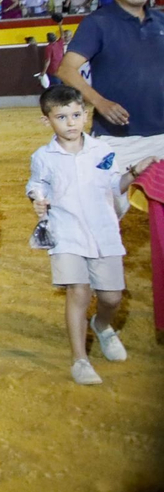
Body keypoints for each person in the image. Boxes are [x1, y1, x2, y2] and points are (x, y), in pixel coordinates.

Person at [27, 84, 159, 384]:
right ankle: (80, 360)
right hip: (66, 233)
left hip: (104, 232)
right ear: (47, 121)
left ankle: (102, 326)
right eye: (61, 117)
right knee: (79, 292)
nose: (70, 123)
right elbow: (37, 185)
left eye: (76, 115)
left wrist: (134, 172)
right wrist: (37, 198)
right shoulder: (43, 156)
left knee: (111, 297)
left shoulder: (103, 150)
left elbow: (115, 185)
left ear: (85, 115)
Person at [55, 0, 164, 179]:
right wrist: (100, 102)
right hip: (118, 137)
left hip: (162, 135)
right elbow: (66, 69)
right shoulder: (98, 22)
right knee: (106, 198)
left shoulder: (161, 20)